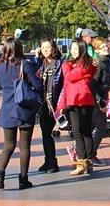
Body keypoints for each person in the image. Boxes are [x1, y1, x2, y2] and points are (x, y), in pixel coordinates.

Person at [0, 37, 43, 190]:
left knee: (8, 145)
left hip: (7, 108)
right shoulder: (24, 65)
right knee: (24, 147)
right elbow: (38, 85)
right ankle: (23, 179)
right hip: (23, 108)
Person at [58, 38, 98, 176]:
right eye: (72, 49)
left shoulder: (85, 64)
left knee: (81, 131)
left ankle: (83, 161)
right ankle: (86, 161)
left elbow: (69, 76)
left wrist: (65, 66)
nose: (73, 51)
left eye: (76, 49)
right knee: (80, 131)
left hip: (82, 100)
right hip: (73, 100)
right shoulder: (75, 63)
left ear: (82, 49)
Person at [36, 39, 63, 174]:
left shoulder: (58, 64)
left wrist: (61, 104)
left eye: (48, 47)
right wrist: (36, 58)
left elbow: (62, 84)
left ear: (53, 49)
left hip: (54, 103)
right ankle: (48, 160)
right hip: (44, 103)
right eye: (43, 48)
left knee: (47, 132)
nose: (45, 50)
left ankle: (52, 162)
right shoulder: (42, 63)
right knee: (45, 133)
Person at [90, 36, 110, 168]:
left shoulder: (105, 62)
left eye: (106, 46)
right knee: (101, 126)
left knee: (93, 125)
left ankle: (82, 150)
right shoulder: (100, 64)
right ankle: (91, 154)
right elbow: (93, 84)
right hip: (97, 100)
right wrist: (100, 101)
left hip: (100, 97)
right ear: (97, 50)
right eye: (103, 47)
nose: (106, 48)